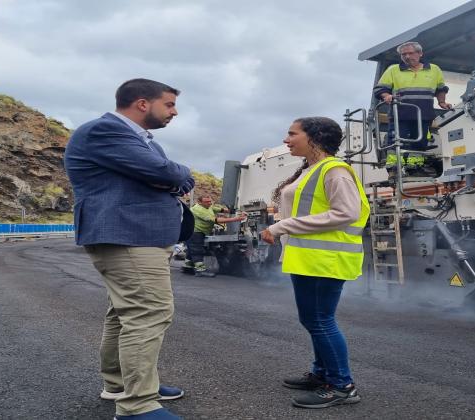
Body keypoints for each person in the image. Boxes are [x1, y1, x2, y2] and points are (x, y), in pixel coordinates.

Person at [64, 78, 193, 420]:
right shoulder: (105, 131)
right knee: (148, 313)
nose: (174, 112)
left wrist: (174, 177)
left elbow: (169, 177)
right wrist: (179, 174)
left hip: (137, 237)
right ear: (141, 103)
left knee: (123, 314)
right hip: (129, 236)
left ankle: (121, 384)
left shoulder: (139, 139)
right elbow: (165, 171)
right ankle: (138, 405)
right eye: (169, 104)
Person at [260, 117, 370, 409]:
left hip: (325, 259)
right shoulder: (313, 169)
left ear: (315, 137)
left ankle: (342, 386)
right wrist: (280, 224)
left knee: (320, 321)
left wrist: (282, 226)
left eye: (292, 133)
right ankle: (323, 375)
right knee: (315, 320)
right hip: (311, 257)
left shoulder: (334, 170)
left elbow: (346, 212)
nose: (286, 139)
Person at [373, 41, 452, 151]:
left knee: (420, 144)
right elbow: (380, 88)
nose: (407, 56)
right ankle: (394, 165)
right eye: (403, 54)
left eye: (410, 53)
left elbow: (441, 89)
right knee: (397, 143)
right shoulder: (393, 70)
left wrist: (442, 102)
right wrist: (386, 96)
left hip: (423, 116)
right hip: (400, 116)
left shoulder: (434, 69)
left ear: (420, 53)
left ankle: (416, 165)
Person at [185, 195, 246, 276]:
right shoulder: (198, 210)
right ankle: (200, 270)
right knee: (197, 250)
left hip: (199, 231)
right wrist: (236, 219)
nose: (209, 203)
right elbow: (217, 220)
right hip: (195, 231)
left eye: (210, 201)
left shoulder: (208, 206)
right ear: (199, 202)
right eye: (207, 202)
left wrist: (233, 211)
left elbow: (220, 209)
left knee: (191, 250)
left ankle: (188, 268)